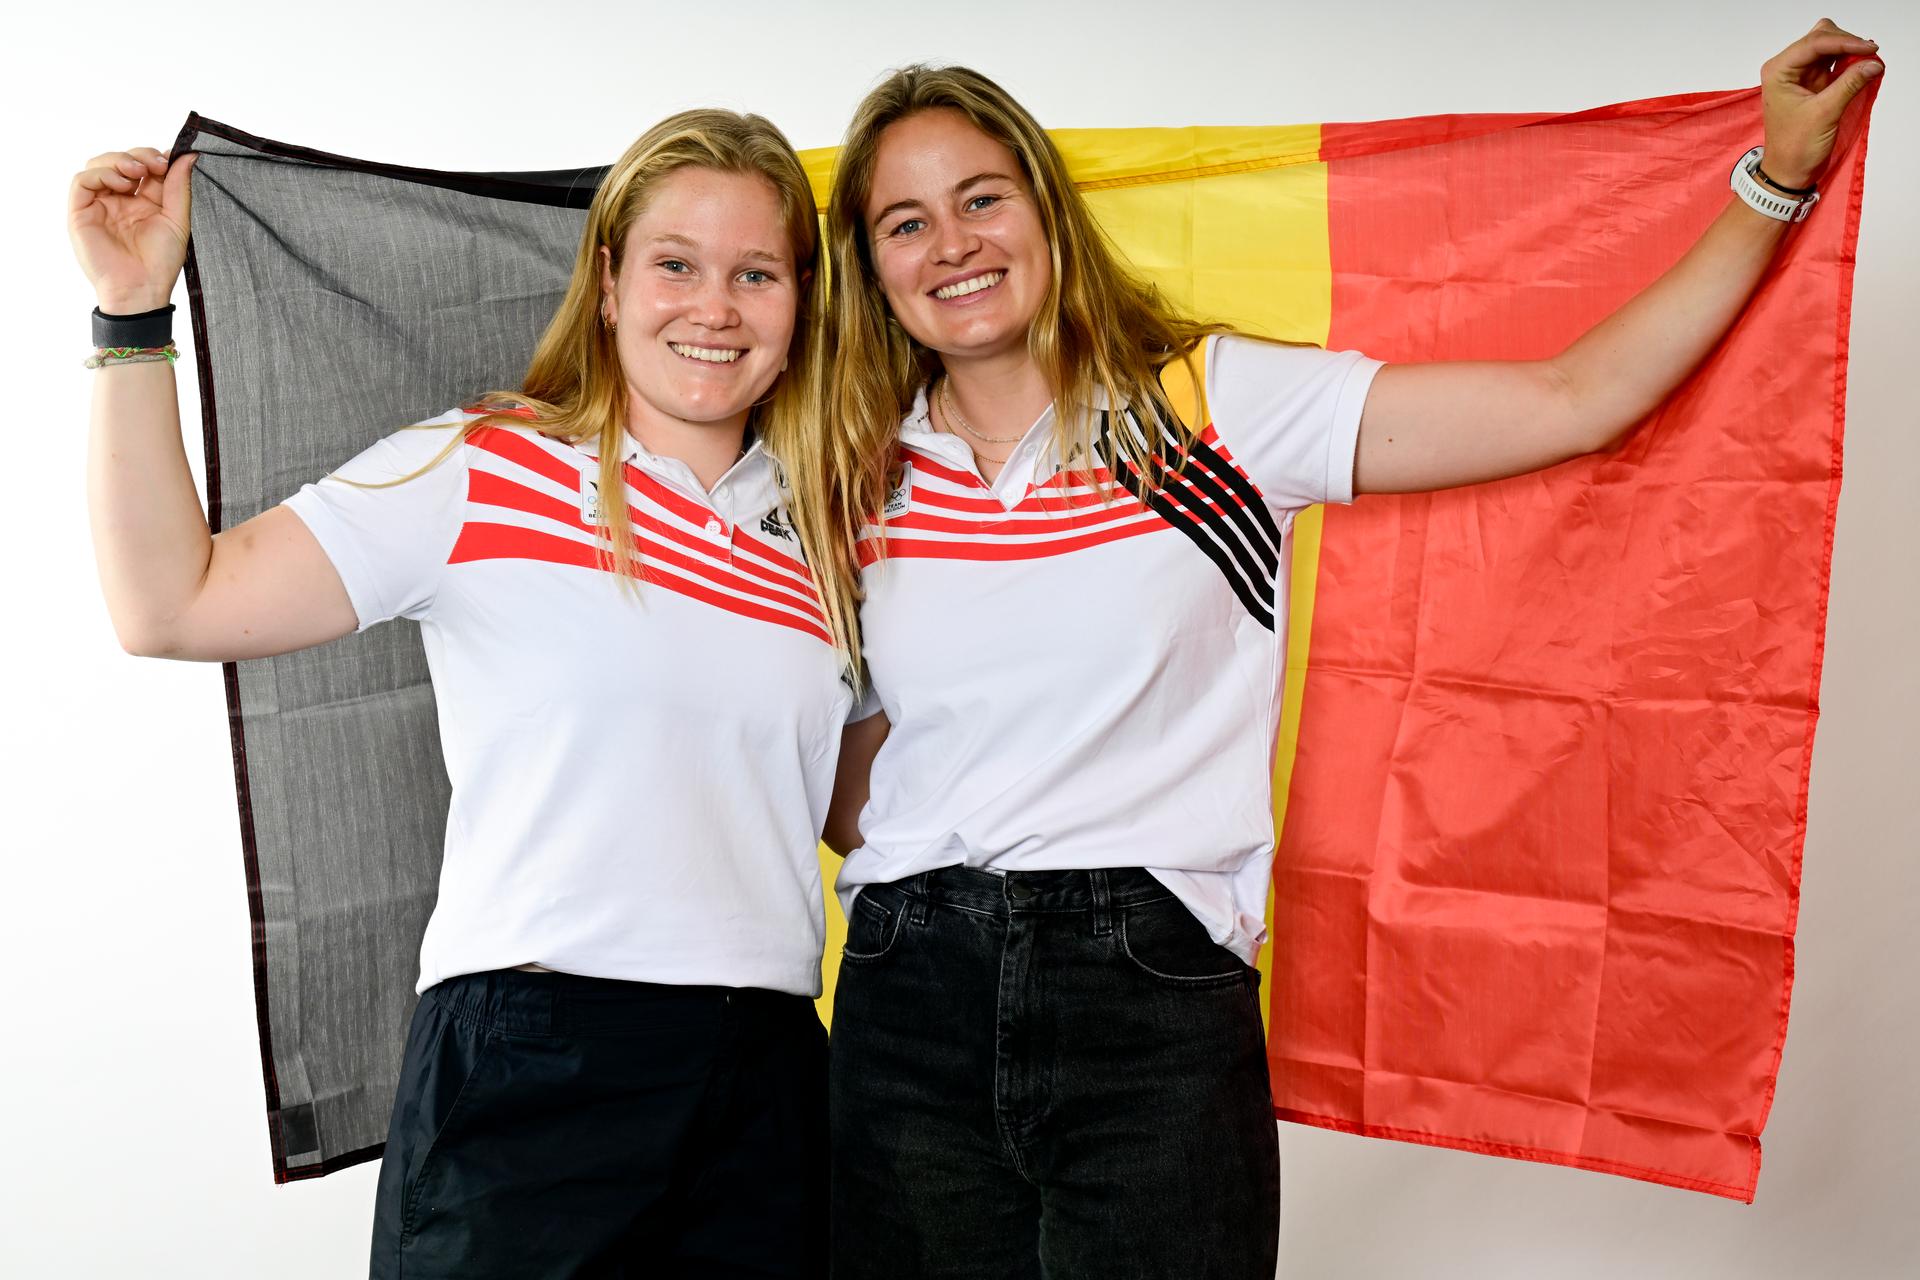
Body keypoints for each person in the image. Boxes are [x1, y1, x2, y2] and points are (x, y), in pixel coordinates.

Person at [816, 20, 1881, 1279]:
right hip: (904, 986)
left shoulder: (1215, 409)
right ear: (869, 268)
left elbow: (1576, 399)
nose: (954, 243)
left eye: (981, 197)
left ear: (1044, 209)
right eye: (906, 221)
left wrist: (1774, 177)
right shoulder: (850, 476)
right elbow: (837, 755)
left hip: (1147, 994)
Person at [70, 109, 859, 1279]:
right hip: (535, 1068)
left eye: (756, 272)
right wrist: (131, 315)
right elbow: (169, 605)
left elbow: (877, 813)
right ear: (607, 281)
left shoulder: (828, 541)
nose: (716, 306)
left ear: (802, 301)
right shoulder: (481, 466)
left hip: (769, 1080)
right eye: (676, 264)